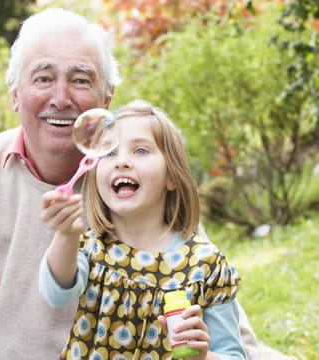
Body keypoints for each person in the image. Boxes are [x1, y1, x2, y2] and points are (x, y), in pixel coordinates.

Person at [0, 8, 260, 359]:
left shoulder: (139, 188)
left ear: (106, 98)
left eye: (81, 80)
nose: (60, 98)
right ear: (15, 94)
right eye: (43, 78)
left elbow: (217, 315)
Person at [39, 100, 245, 359]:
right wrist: (66, 234)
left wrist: (203, 357)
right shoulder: (90, 249)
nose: (121, 161)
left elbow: (234, 355)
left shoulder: (205, 266)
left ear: (172, 176)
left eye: (140, 150)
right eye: (109, 152)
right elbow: (55, 294)